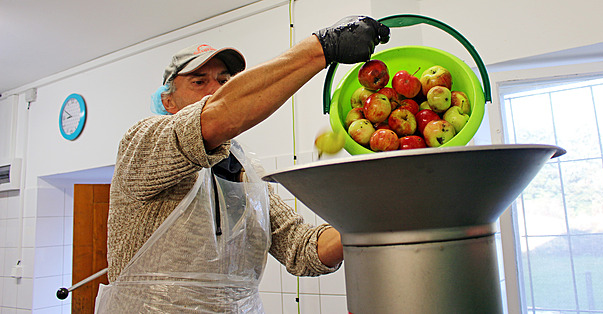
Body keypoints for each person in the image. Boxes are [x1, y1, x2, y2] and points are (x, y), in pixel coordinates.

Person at [95, 16, 390, 313]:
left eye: (225, 81)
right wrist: (321, 48)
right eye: (199, 81)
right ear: (168, 102)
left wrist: (374, 220)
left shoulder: (246, 168)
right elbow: (216, 116)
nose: (215, 90)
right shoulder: (144, 141)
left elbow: (301, 248)